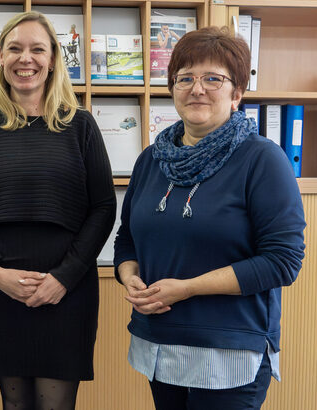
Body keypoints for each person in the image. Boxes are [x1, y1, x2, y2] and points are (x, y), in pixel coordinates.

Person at [114, 26, 305, 410]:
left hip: (229, 353)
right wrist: (130, 278)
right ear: (172, 88)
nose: (197, 88)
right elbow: (127, 240)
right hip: (159, 344)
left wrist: (188, 288)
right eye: (185, 78)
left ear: (237, 93)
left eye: (213, 79)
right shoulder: (151, 159)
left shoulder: (262, 159)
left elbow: (283, 262)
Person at [0, 11, 116, 410]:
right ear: (2, 60)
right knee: (14, 406)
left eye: (37, 49)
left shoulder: (81, 126)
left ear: (54, 59)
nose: (26, 59)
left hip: (67, 287)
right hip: (0, 287)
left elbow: (104, 208)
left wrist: (64, 278)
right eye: (15, 49)